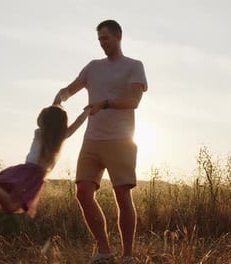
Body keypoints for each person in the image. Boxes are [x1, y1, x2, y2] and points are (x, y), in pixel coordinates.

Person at [53, 19, 148, 264]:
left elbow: (133, 101)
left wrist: (104, 103)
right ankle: (104, 251)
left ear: (118, 36)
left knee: (122, 196)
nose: (102, 44)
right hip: (92, 140)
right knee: (83, 193)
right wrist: (58, 99)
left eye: (106, 38)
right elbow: (71, 89)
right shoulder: (93, 67)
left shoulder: (134, 66)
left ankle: (127, 256)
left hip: (121, 140)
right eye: (99, 40)